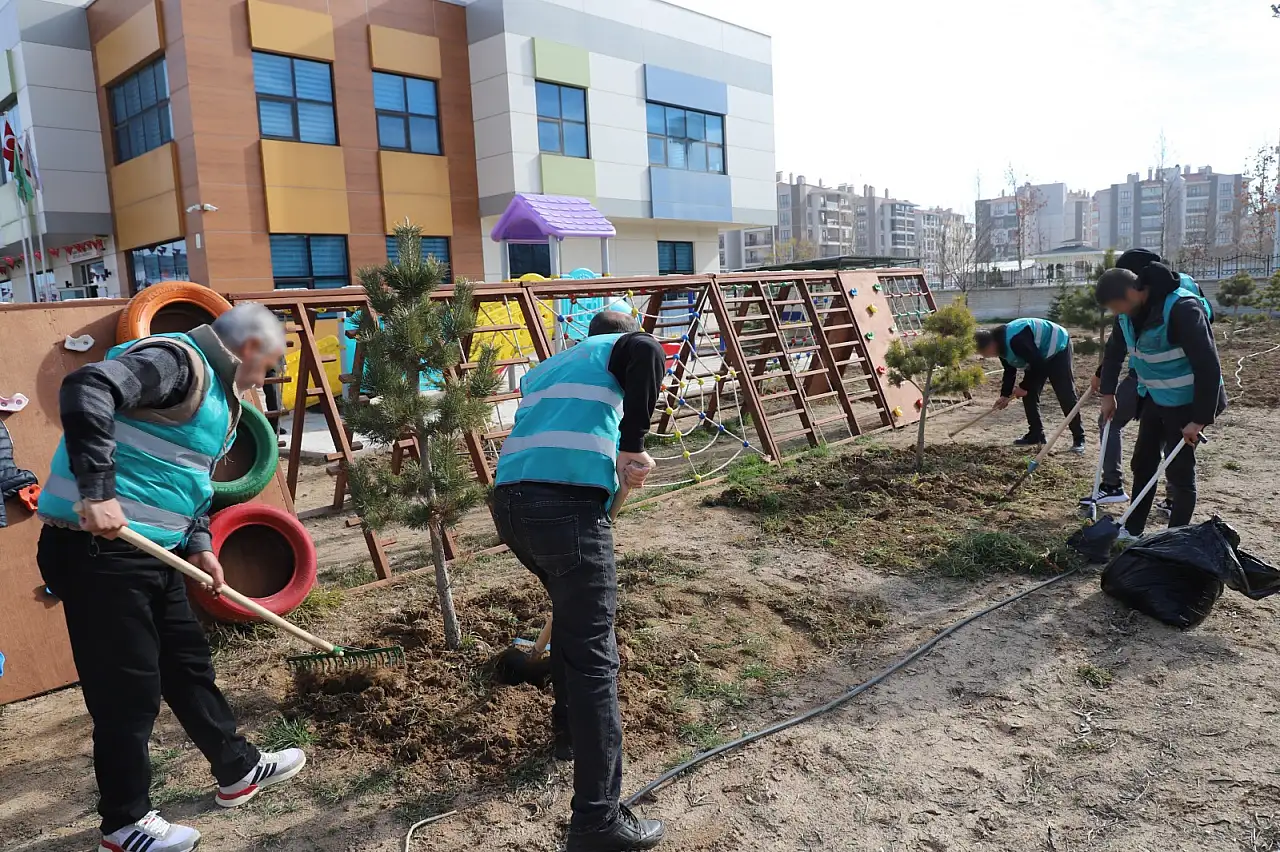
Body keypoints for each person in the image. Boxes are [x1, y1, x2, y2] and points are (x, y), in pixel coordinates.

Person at [36, 303, 303, 852]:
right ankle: (123, 822)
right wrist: (97, 490)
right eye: (270, 365)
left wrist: (200, 545)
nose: (267, 378)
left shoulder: (217, 397)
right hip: (97, 552)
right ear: (250, 348)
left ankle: (237, 770)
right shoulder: (176, 360)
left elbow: (186, 479)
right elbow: (88, 388)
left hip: (156, 552)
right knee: (127, 692)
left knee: (187, 665)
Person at [491, 309, 666, 852]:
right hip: (563, 506)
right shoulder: (623, 347)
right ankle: (597, 821)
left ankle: (567, 731)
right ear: (619, 332)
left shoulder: (551, 366)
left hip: (511, 504)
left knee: (571, 621)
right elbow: (648, 354)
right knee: (595, 656)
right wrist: (631, 445)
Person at [1095, 261, 1225, 540]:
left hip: (1188, 399)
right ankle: (1132, 529)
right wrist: (1108, 395)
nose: (1116, 313)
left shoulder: (1181, 308)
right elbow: (1113, 354)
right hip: (1154, 394)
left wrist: (1199, 419)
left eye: (1116, 306)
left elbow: (1208, 365)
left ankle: (1173, 540)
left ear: (1132, 291)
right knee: (1143, 461)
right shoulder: (1126, 317)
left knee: (1179, 471)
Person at [974, 317, 1086, 452]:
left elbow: (1038, 365)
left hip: (1056, 346)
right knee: (1029, 394)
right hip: (1037, 355)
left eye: (982, 352)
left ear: (990, 344)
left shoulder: (1016, 340)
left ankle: (1079, 439)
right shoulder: (1000, 346)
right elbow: (1010, 370)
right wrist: (1004, 395)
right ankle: (1036, 434)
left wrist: (1024, 386)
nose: (984, 356)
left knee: (1065, 393)